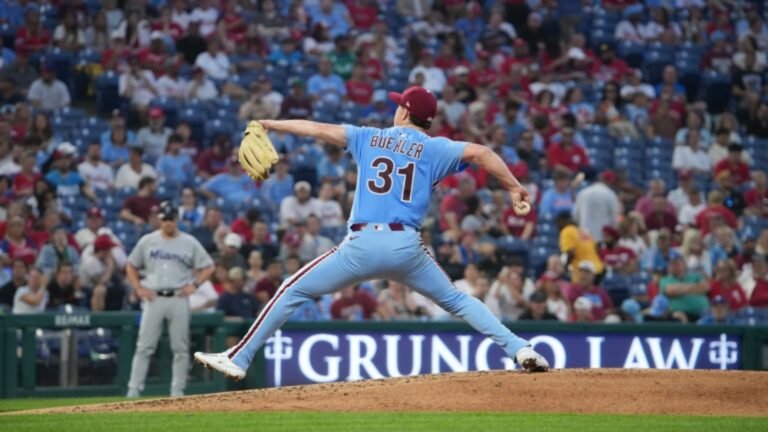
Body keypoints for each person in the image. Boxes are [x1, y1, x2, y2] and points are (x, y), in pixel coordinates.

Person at [194, 85, 549, 378]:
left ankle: (239, 358)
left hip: (361, 246)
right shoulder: (438, 148)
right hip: (406, 247)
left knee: (292, 289)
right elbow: (484, 153)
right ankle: (521, 348)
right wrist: (514, 186)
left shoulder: (369, 137)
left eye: (399, 105)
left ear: (405, 113)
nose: (396, 108)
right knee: (457, 300)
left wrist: (271, 123)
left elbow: (317, 128)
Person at [126, 201, 214, 398]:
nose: (167, 222)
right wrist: (138, 287)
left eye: (171, 219)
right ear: (160, 220)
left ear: (177, 220)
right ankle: (134, 389)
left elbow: (209, 266)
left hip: (178, 297)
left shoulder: (189, 242)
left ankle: (177, 390)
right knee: (144, 346)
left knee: (180, 347)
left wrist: (195, 285)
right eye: (164, 219)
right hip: (154, 297)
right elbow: (131, 265)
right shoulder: (148, 240)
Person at [659, 250, 710, 322]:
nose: (673, 266)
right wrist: (694, 287)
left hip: (702, 312)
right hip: (678, 314)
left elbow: (705, 287)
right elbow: (671, 290)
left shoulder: (695, 276)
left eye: (676, 263)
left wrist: (679, 289)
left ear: (683, 263)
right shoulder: (665, 279)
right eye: (671, 264)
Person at [571, 171, 621, 242]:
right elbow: (614, 221)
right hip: (602, 238)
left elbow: (575, 216)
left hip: (584, 237)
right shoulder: (611, 195)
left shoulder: (583, 192)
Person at [557, 212, 604, 278]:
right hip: (598, 269)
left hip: (584, 271)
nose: (557, 225)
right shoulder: (583, 231)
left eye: (558, 222)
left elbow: (571, 252)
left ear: (563, 221)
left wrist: (565, 268)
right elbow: (597, 249)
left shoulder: (566, 230)